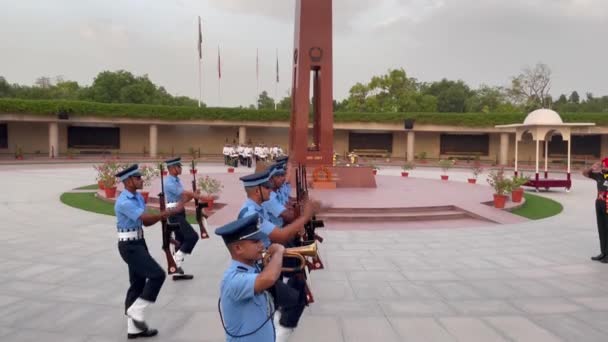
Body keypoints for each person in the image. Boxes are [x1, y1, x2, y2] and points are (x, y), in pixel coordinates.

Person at [237, 168, 320, 341]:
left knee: (293, 293)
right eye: (266, 187)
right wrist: (305, 217)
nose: (270, 190)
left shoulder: (256, 208)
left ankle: (273, 328)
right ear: (256, 191)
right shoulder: (251, 213)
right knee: (296, 301)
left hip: (267, 257)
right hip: (258, 266)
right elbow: (280, 235)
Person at [115, 164, 178, 339]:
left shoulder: (137, 198)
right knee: (157, 275)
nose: (142, 180)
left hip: (139, 242)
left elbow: (146, 222)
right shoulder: (124, 201)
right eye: (138, 178)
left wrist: (159, 216)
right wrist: (161, 215)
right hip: (129, 246)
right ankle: (136, 310)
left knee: (137, 283)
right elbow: (144, 217)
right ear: (128, 181)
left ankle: (134, 329)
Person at [216, 214, 285, 342]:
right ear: (238, 248)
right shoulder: (233, 279)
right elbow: (269, 278)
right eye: (255, 242)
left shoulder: (253, 268)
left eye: (260, 240)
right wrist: (279, 252)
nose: (261, 245)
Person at [163, 157, 203, 279]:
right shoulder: (169, 182)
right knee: (192, 236)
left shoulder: (176, 180)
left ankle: (176, 268)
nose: (180, 168)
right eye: (178, 166)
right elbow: (182, 193)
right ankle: (176, 259)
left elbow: (183, 198)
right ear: (171, 168)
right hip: (173, 213)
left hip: (180, 211)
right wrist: (193, 194)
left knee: (180, 240)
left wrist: (192, 195)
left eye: (180, 166)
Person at [583, 159, 608, 263]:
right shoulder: (599, 175)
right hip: (599, 204)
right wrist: (592, 167)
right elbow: (585, 173)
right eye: (602, 166)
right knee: (601, 229)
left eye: (605, 166)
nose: (603, 168)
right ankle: (603, 253)